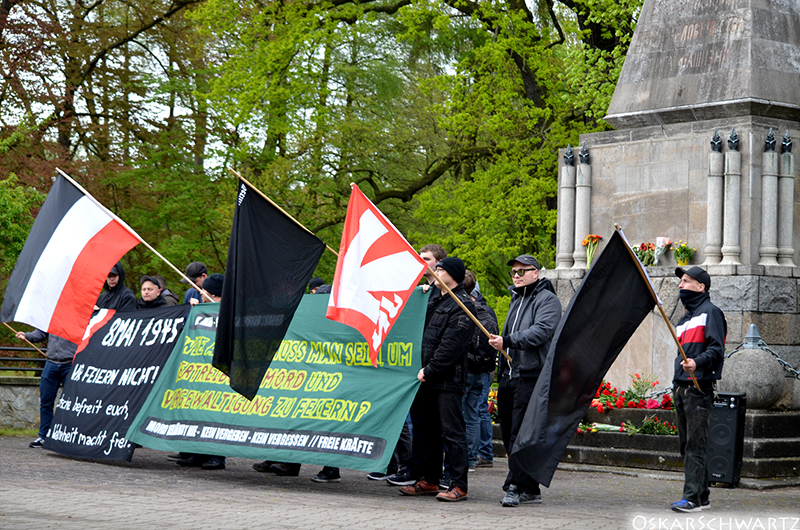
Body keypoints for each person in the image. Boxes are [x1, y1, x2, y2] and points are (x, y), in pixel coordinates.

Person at [399, 257, 475, 502]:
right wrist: (421, 295)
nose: (435, 272)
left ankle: (458, 484)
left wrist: (429, 370)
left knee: (452, 432)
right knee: (426, 431)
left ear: (454, 275)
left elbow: (450, 346)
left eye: (440, 269)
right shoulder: (434, 298)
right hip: (425, 378)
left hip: (446, 380)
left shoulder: (462, 305)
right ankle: (430, 479)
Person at [488, 254, 561, 508]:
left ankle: (515, 486)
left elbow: (541, 331)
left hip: (531, 375)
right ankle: (530, 487)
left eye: (522, 271)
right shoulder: (516, 299)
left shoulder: (547, 300)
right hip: (510, 374)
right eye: (514, 272)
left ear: (536, 273)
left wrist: (507, 341)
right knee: (508, 432)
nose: (516, 275)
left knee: (520, 433)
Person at [671, 266, 726, 513]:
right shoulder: (684, 319)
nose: (681, 285)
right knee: (687, 445)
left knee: (696, 445)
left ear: (701, 287)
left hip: (698, 388)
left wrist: (697, 363)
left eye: (686, 281)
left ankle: (691, 498)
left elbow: (716, 350)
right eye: (681, 281)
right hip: (681, 389)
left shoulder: (712, 313)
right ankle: (702, 496)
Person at [176, 273, 227, 470]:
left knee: (215, 412)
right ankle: (198, 452)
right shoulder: (201, 309)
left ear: (212, 293)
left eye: (204, 290)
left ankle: (217, 456)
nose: (201, 293)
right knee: (199, 410)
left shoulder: (226, 311)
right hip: (199, 370)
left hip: (217, 370)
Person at [461, 270, 498, 471]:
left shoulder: (462, 309)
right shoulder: (487, 310)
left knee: (461, 413)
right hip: (483, 369)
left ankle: (466, 457)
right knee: (475, 413)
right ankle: (473, 458)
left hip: (465, 369)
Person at [15, 330, 77, 448]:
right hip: (51, 364)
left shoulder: (77, 315)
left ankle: (69, 437)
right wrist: (26, 336)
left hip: (71, 364)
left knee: (71, 403)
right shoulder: (52, 315)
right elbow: (41, 333)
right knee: (46, 401)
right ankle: (44, 436)